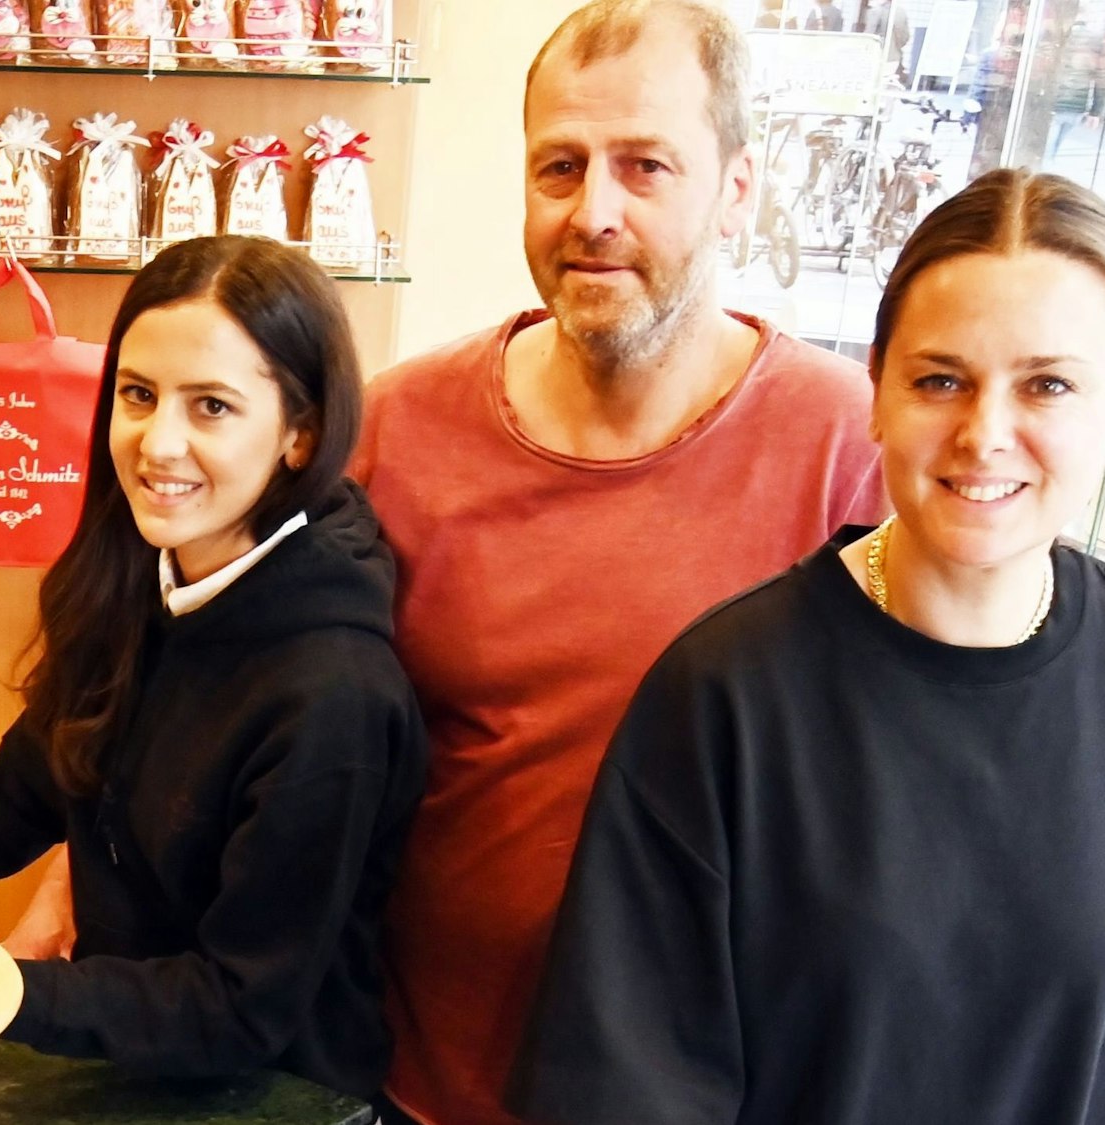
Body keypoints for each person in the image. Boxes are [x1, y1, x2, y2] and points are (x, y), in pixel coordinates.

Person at [509, 169, 1105, 1125]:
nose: (985, 434)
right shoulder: (727, 696)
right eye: (941, 379)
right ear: (875, 387)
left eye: (1049, 384)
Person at [350, 2, 883, 1122]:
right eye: (559, 168)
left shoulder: (849, 447)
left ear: (736, 186)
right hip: (421, 1080)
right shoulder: (395, 429)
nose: (594, 212)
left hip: (721, 1092)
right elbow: (243, 687)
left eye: (645, 167)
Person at [0, 235, 428, 1100]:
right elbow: (20, 792)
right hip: (138, 1048)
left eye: (212, 407)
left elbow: (237, 1006)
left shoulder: (332, 695)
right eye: (139, 394)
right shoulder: (142, 576)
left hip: (275, 1091)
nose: (159, 444)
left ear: (300, 434)